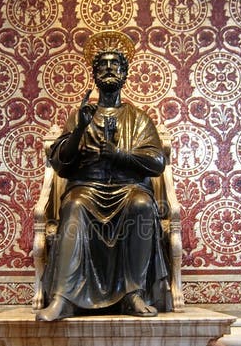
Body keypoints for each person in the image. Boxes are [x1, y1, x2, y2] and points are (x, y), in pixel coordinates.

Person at [36, 30, 169, 321]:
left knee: (142, 206)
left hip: (128, 189)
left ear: (125, 73)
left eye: (115, 65)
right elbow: (62, 163)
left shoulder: (139, 118)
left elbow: (156, 162)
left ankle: (133, 293)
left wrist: (118, 155)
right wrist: (81, 129)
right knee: (75, 207)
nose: (109, 69)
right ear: (94, 75)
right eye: (102, 66)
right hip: (87, 188)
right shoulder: (81, 114)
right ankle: (63, 298)